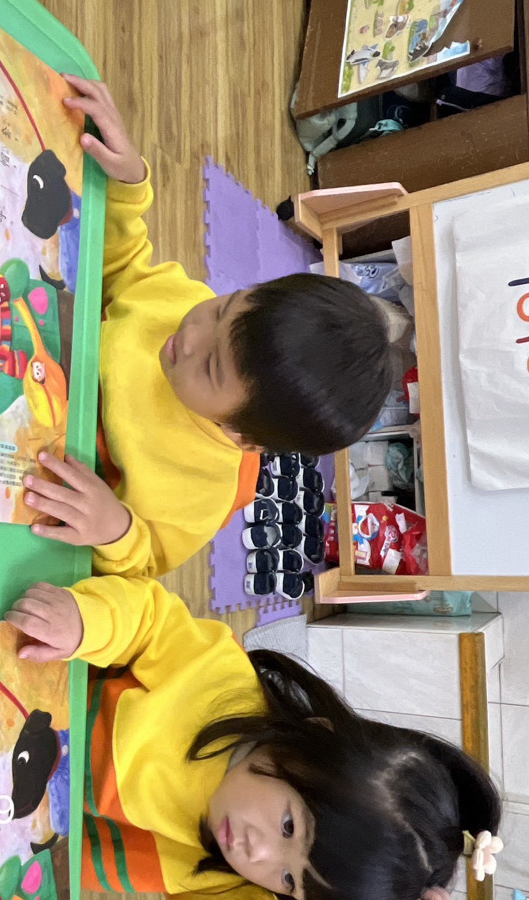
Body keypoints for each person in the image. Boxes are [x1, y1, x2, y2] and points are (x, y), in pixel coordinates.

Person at [5, 575, 502, 900]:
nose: (257, 853)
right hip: (18, 687)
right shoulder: (219, 682)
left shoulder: (223, 879)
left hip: (2, 831)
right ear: (313, 739)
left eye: (288, 880)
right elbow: (150, 619)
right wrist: (88, 622)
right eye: (289, 826)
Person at [21, 76, 392, 577]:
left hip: (46, 465)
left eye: (212, 366)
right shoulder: (185, 308)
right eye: (223, 308)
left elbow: (147, 561)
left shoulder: (202, 491)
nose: (190, 335)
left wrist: (117, 530)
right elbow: (123, 266)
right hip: (37, 345)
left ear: (242, 437)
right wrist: (129, 183)